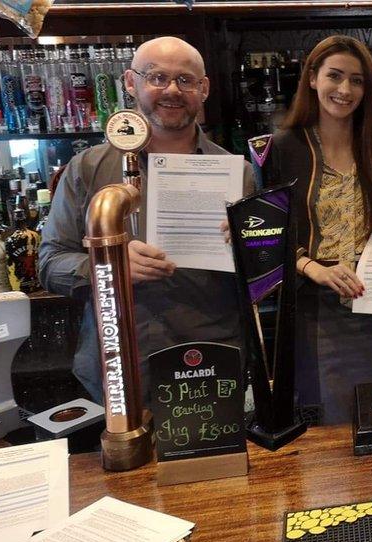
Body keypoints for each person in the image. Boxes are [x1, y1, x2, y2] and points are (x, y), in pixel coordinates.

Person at [39, 37, 254, 404]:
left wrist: (250, 249)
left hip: (209, 360)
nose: (171, 90)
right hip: (118, 367)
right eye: (156, 77)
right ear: (130, 82)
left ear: (203, 89)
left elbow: (262, 275)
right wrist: (110, 265)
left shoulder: (240, 174)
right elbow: (50, 263)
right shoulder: (88, 168)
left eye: (185, 80)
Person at [260, 36, 372, 424]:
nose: (345, 90)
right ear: (312, 78)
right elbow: (265, 233)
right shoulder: (285, 147)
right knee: (333, 422)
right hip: (316, 311)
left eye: (357, 81)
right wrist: (313, 268)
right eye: (335, 76)